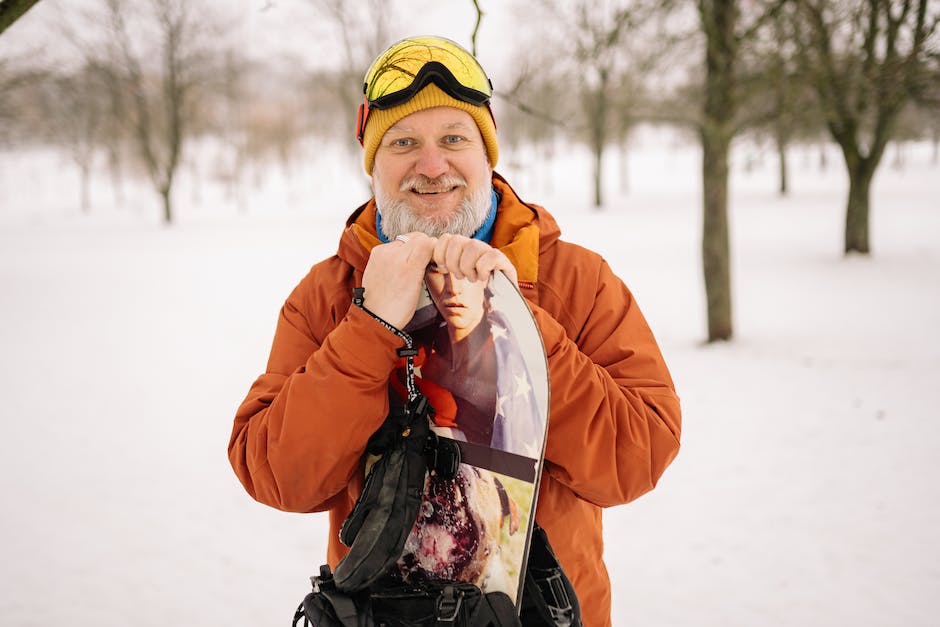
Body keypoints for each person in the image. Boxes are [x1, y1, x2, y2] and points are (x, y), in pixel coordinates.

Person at [228, 35, 681, 627]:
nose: (432, 164)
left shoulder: (576, 280)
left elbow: (636, 457)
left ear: (486, 151)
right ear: (373, 162)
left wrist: (515, 321)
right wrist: (369, 328)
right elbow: (277, 476)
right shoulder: (328, 295)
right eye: (403, 143)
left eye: (454, 139)